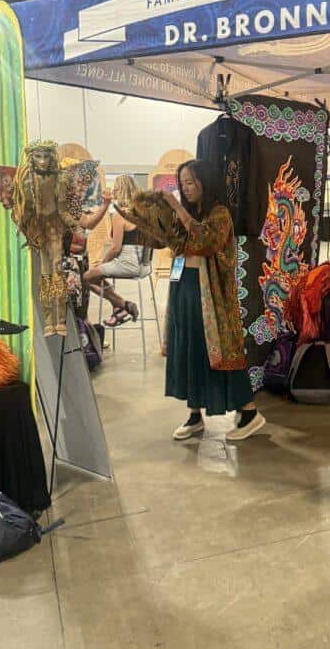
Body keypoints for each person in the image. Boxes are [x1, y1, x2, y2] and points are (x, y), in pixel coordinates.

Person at [163, 159, 265, 443]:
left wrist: (177, 208)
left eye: (190, 182)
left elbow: (206, 242)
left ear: (204, 181)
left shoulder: (219, 214)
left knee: (219, 352)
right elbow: (173, 243)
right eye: (182, 183)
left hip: (208, 294)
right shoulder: (191, 213)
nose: (186, 188)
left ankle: (249, 412)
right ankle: (194, 413)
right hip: (183, 285)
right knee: (189, 349)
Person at [84, 175, 148, 327]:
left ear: (123, 190)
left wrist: (101, 263)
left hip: (127, 263)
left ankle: (123, 304)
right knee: (97, 275)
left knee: (86, 277)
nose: (113, 192)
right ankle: (119, 308)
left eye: (116, 189)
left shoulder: (120, 215)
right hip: (144, 266)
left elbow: (115, 248)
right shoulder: (144, 213)